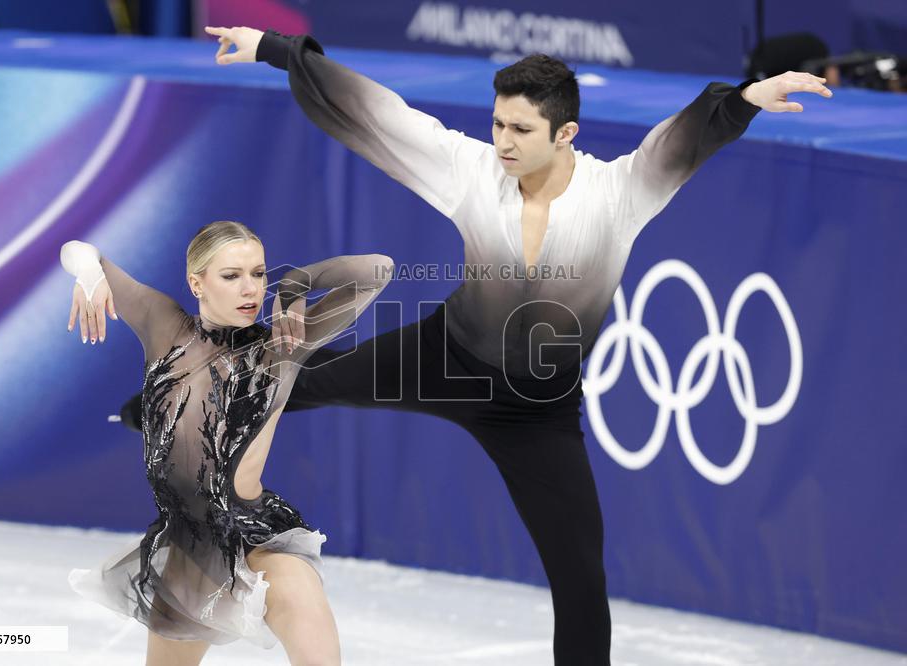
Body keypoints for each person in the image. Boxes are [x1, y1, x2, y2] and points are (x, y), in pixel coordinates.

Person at [124, 27, 832, 664]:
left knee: (581, 572)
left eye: (520, 128)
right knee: (295, 382)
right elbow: (379, 113)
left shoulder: (620, 193)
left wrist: (744, 99)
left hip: (536, 411)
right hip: (444, 360)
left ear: (566, 133)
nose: (502, 141)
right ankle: (155, 403)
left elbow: (686, 138)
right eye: (497, 123)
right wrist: (279, 50)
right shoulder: (472, 170)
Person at [62, 221, 392, 666]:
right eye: (231, 276)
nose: (250, 289)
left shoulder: (284, 344)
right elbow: (79, 248)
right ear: (196, 282)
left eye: (258, 274)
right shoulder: (164, 326)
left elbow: (378, 269)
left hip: (260, 539)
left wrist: (295, 286)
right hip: (189, 547)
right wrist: (90, 275)